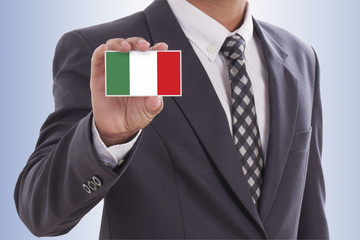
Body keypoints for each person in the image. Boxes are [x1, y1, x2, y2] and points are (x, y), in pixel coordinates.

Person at [14, 0, 329, 239]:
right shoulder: (116, 53)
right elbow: (41, 213)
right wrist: (106, 138)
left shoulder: (299, 58)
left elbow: (310, 215)